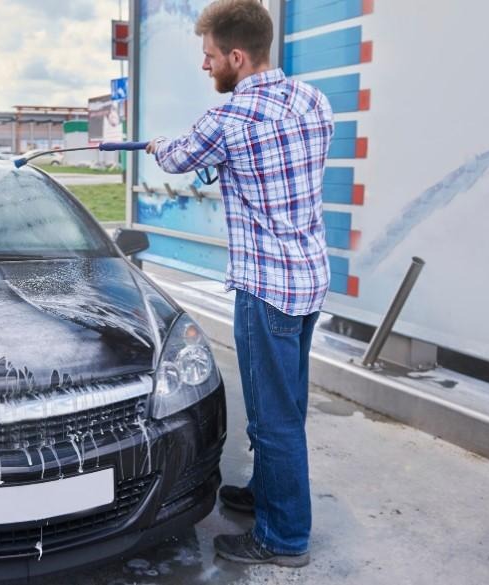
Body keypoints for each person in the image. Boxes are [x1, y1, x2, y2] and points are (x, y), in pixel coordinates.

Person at [145, 0, 334, 568]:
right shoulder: (313, 100)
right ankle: (265, 495)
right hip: (309, 281)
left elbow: (177, 159)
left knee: (272, 417)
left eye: (209, 57)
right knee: (288, 406)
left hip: (267, 289)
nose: (205, 67)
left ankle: (283, 538)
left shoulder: (229, 120)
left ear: (236, 56)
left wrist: (157, 145)